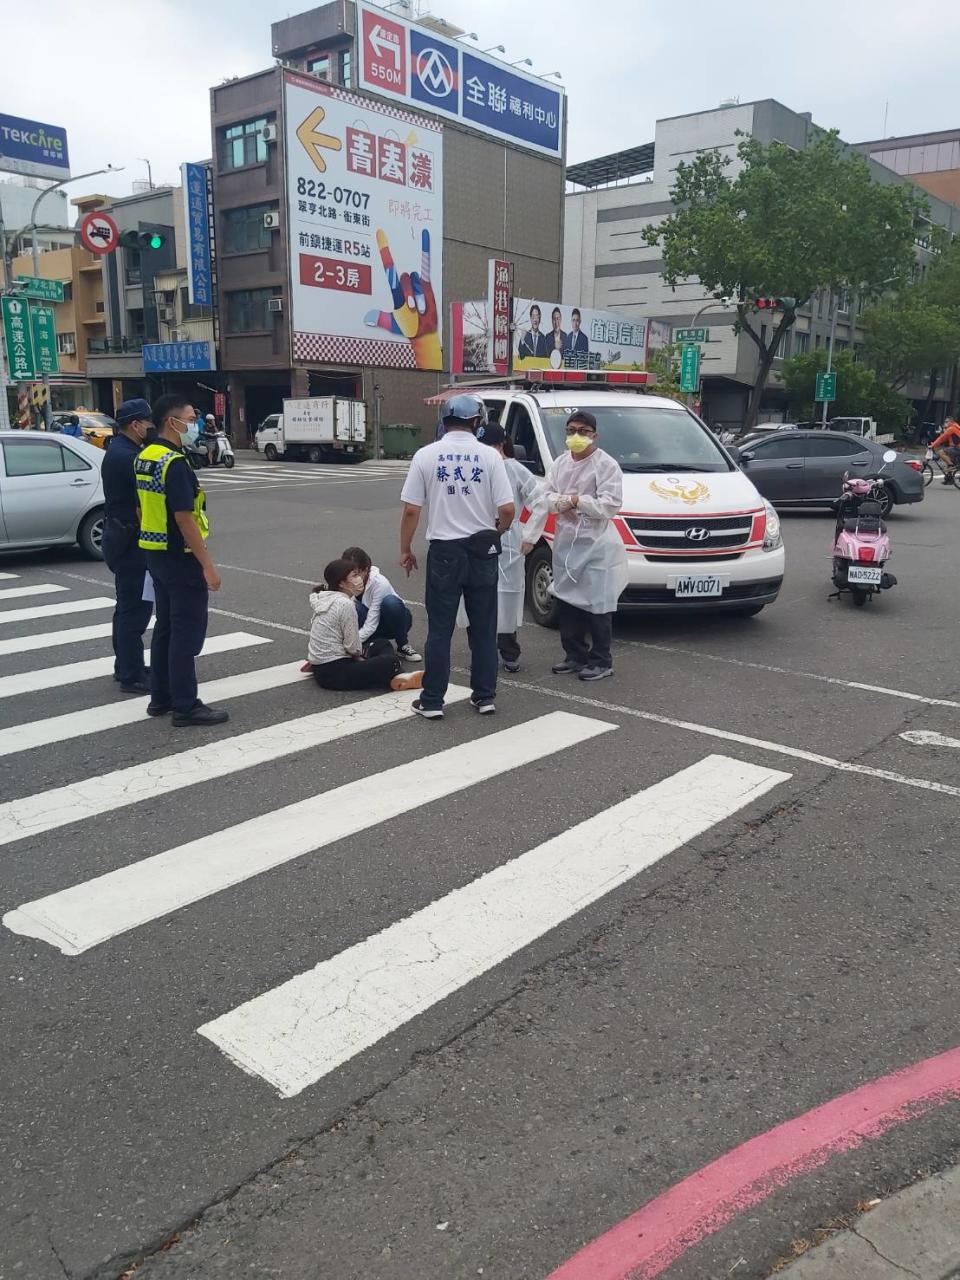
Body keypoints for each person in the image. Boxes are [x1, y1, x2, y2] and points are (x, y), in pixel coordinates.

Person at [400, 393, 515, 719]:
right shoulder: (490, 457)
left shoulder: (426, 455)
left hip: (445, 551)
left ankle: (433, 700)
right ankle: (485, 696)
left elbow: (411, 510)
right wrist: (499, 531)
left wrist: (405, 549)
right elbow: (507, 508)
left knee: (440, 627)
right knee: (483, 626)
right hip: (482, 549)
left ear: (444, 421)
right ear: (477, 422)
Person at [135, 393, 228, 726]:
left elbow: (142, 508)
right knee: (185, 634)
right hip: (180, 557)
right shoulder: (173, 463)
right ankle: (186, 706)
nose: (194, 424)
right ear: (171, 422)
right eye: (190, 419)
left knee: (166, 627)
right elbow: (184, 517)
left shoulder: (145, 456)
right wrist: (207, 565)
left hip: (155, 553)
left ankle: (160, 698)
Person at [522, 410, 627, 681]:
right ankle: (574, 654)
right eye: (571, 430)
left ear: (595, 435)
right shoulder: (560, 463)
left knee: (597, 602)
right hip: (567, 543)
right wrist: (531, 535)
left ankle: (601, 660)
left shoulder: (606, 466)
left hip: (596, 544)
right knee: (568, 599)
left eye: (583, 431)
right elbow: (545, 497)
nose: (576, 436)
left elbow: (610, 505)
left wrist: (577, 501)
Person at [102, 398, 154, 694]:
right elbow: (140, 506)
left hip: (118, 537)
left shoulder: (118, 450)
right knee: (135, 609)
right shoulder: (130, 457)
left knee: (126, 607)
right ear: (136, 425)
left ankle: (125, 664)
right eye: (148, 422)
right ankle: (132, 674)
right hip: (131, 541)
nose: (150, 427)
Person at [308, 559, 423, 693]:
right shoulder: (345, 604)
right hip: (335, 672)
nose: (359, 579)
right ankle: (397, 675)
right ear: (342, 583)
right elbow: (352, 648)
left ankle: (395, 674)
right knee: (389, 662)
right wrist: (361, 656)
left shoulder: (325, 597)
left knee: (381, 644)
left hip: (321, 668)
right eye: (354, 576)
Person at [476, 424, 537, 672]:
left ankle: (509, 650)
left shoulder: (515, 470)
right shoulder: (475, 468)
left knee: (507, 595)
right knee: (478, 597)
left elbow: (540, 502)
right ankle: (481, 650)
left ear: (501, 445)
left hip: (509, 541)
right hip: (479, 539)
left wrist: (531, 535)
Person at [341, 546, 422, 661]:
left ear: (366, 569)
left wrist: (350, 644)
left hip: (393, 623)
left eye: (357, 574)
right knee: (348, 606)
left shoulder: (380, 584)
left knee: (391, 603)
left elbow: (371, 623)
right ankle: (367, 646)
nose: (354, 578)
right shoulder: (345, 581)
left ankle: (403, 645)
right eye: (350, 574)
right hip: (370, 624)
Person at [931, 416, 960, 483]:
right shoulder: (955, 427)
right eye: (945, 422)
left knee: (941, 452)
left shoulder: (952, 428)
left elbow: (942, 438)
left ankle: (951, 465)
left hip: (957, 448)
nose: (945, 423)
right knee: (948, 459)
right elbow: (945, 439)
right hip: (955, 447)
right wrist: (935, 443)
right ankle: (949, 479)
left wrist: (932, 445)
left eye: (947, 422)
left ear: (951, 422)